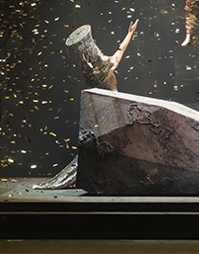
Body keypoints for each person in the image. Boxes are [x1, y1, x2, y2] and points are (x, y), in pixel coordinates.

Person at [34, 19, 139, 190]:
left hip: (100, 111)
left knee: (101, 148)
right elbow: (120, 50)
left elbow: (89, 57)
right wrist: (130, 33)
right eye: (98, 50)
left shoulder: (88, 71)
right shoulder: (105, 67)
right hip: (113, 110)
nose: (100, 50)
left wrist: (83, 49)